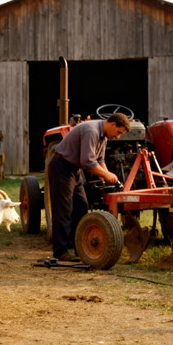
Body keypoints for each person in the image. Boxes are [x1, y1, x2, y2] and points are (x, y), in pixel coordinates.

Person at [46, 112, 131, 262]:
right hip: (62, 167)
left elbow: (99, 159)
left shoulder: (103, 136)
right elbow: (87, 162)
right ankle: (60, 251)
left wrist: (105, 173)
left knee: (81, 207)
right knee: (63, 209)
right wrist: (106, 175)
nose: (118, 137)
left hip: (74, 170)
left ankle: (79, 247)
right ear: (112, 124)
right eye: (118, 132)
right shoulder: (91, 131)